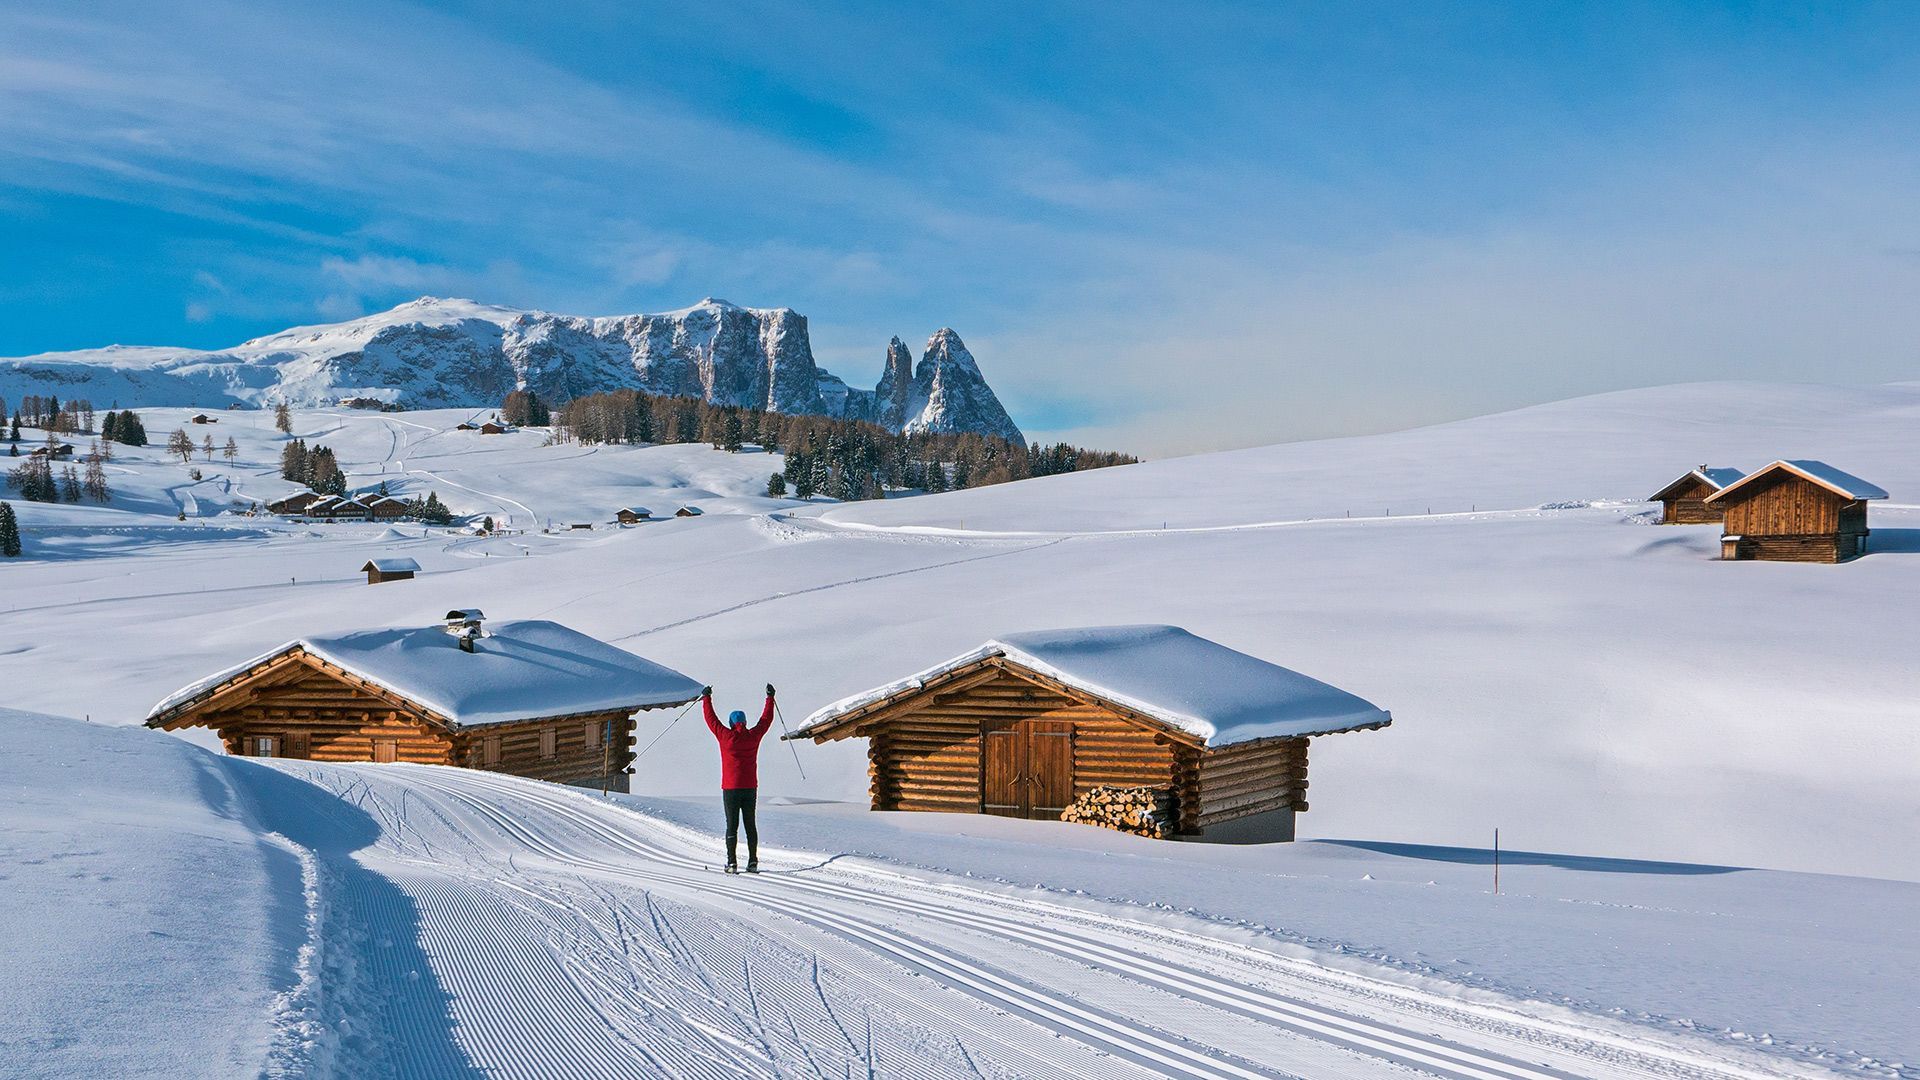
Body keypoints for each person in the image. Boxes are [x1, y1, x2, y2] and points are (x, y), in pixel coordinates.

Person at [703, 683, 775, 873]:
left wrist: (706, 698)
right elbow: (765, 721)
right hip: (750, 787)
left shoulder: (725, 736)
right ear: (744, 721)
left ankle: (732, 863)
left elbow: (711, 720)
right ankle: (752, 862)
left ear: (730, 723)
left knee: (731, 826)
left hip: (730, 787)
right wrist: (770, 698)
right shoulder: (753, 736)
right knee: (750, 824)